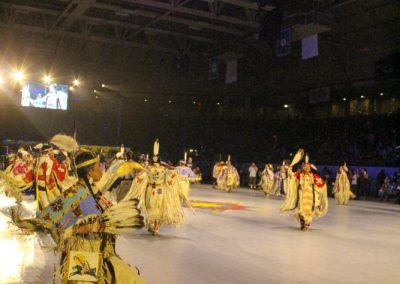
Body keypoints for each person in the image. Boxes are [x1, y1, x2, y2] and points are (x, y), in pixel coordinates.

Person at [12, 150, 147, 283]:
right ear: (89, 173)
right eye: (97, 168)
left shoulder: (89, 191)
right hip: (84, 257)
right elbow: (49, 221)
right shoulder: (75, 194)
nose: (101, 171)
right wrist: (78, 230)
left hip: (99, 254)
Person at [126, 140, 187, 235]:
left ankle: (152, 225)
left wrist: (137, 180)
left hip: (151, 190)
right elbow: (171, 178)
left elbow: (140, 178)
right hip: (160, 190)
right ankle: (156, 226)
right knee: (159, 207)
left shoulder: (149, 169)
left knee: (151, 206)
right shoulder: (164, 169)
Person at [280, 151, 328, 231]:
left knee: (309, 210)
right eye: (304, 166)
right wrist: (289, 170)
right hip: (301, 195)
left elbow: (321, 183)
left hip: (310, 196)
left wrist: (320, 190)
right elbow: (292, 176)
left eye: (307, 166)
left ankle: (307, 224)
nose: (306, 168)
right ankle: (303, 224)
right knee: (301, 210)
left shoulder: (313, 176)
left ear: (310, 168)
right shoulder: (299, 174)